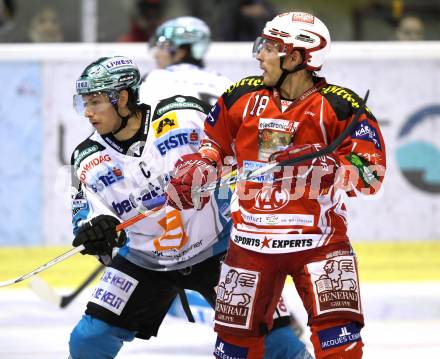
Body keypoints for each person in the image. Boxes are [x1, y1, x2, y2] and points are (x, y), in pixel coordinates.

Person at [168, 11, 387, 359]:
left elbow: (371, 175)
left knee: (342, 348)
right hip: (249, 245)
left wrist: (327, 164)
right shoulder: (239, 96)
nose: (259, 55)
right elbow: (214, 144)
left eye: (270, 47)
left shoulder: (341, 105)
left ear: (298, 57)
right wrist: (200, 167)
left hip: (320, 245)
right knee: (233, 351)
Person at [68, 55, 311, 359]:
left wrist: (286, 145)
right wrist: (97, 230)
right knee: (88, 341)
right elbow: (84, 216)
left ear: (124, 97)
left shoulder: (182, 113)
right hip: (146, 260)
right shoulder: (86, 158)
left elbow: (240, 133)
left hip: (218, 247)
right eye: (84, 104)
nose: (88, 113)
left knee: (277, 342)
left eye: (96, 102)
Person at [141, 14, 309, 350]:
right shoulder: (223, 80)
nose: (156, 53)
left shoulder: (152, 80)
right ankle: (279, 322)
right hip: (222, 176)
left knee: (165, 249)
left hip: (179, 177)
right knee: (237, 255)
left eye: (162, 46)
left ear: (176, 48)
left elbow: (140, 139)